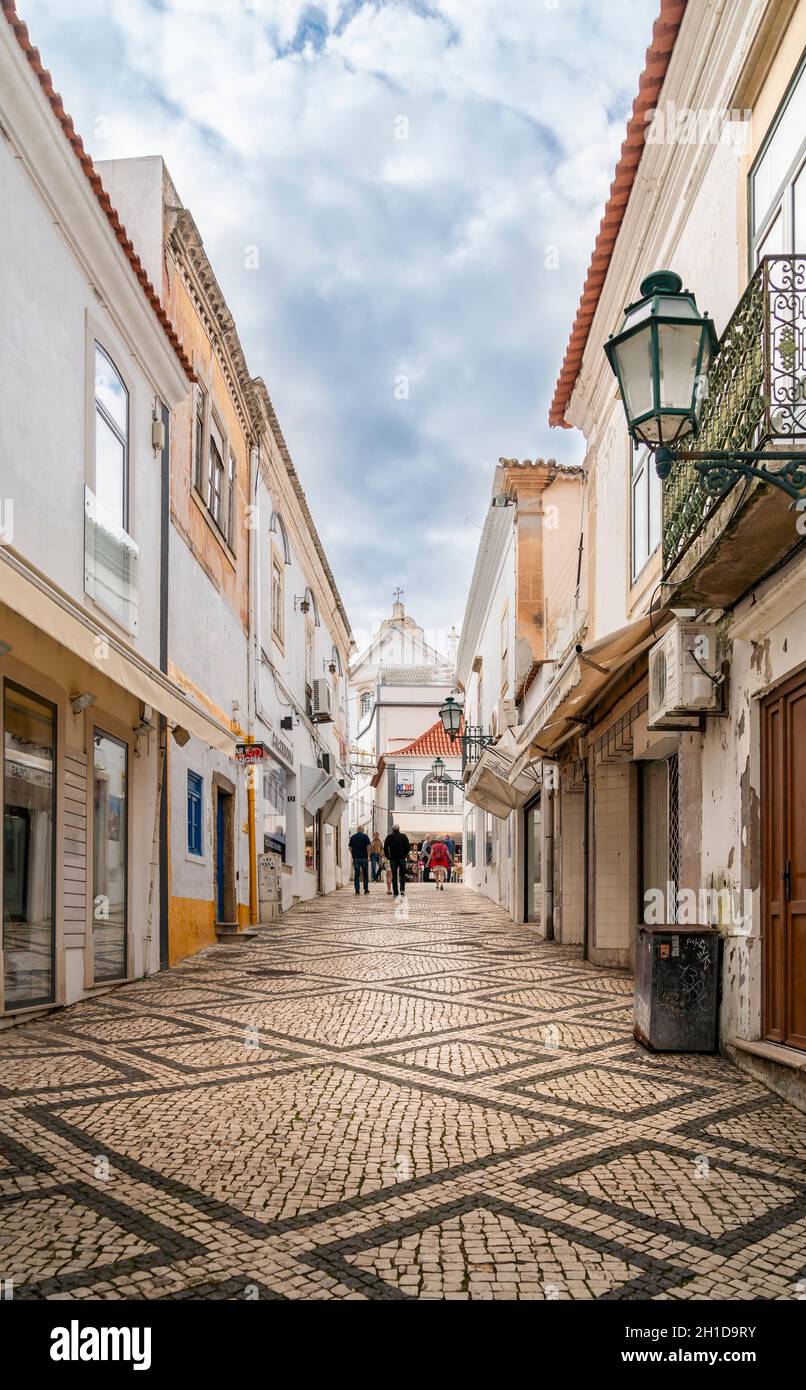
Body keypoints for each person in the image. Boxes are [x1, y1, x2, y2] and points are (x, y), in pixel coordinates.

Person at [383, 824, 411, 897]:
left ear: (393, 829)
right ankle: (402, 890)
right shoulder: (403, 836)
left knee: (394, 875)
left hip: (393, 858)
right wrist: (404, 855)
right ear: (399, 829)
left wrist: (388, 856)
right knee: (402, 874)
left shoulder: (389, 837)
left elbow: (385, 847)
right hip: (401, 858)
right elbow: (408, 847)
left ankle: (395, 891)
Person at [348, 825, 371, 895]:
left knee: (357, 874)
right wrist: (368, 856)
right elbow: (368, 847)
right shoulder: (366, 837)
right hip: (364, 858)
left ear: (357, 830)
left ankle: (357, 890)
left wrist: (353, 854)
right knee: (365, 874)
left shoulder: (352, 837)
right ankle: (366, 889)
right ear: (363, 830)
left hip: (356, 858)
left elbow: (350, 848)